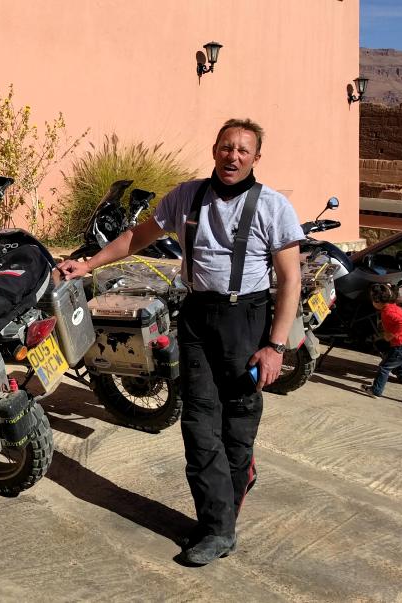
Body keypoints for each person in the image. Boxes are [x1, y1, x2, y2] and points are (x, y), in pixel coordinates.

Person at [58, 118, 303, 566]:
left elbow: (290, 278)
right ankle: (217, 528)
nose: (233, 156)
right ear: (214, 149)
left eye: (243, 151)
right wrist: (87, 263)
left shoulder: (273, 206)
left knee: (238, 423)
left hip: (246, 318)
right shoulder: (186, 196)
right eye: (226, 147)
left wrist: (276, 346)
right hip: (196, 317)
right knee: (198, 425)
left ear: (255, 158)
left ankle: (234, 486)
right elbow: (137, 236)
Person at [361, 283, 402, 403]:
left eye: (373, 300)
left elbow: (401, 324)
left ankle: (376, 391)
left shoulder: (388, 312)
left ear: (378, 301)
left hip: (401, 346)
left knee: (384, 367)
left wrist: (393, 334)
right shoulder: (395, 308)